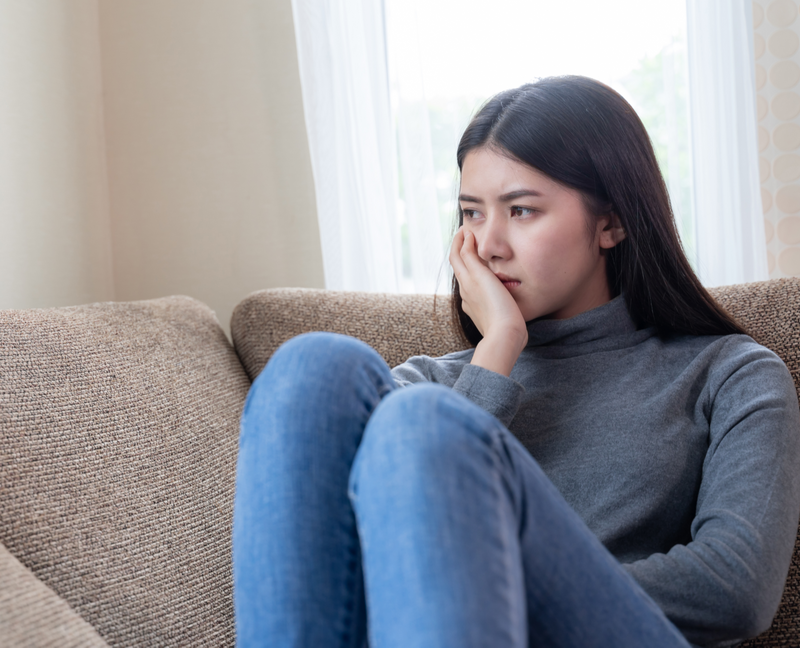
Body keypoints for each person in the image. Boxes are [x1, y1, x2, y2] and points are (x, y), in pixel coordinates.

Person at [231, 76, 800, 648]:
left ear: (612, 222)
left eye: (521, 210)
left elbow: (735, 588)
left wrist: (483, 581)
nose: (488, 244)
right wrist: (497, 350)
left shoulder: (730, 374)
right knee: (313, 364)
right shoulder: (438, 381)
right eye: (471, 214)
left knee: (424, 422)